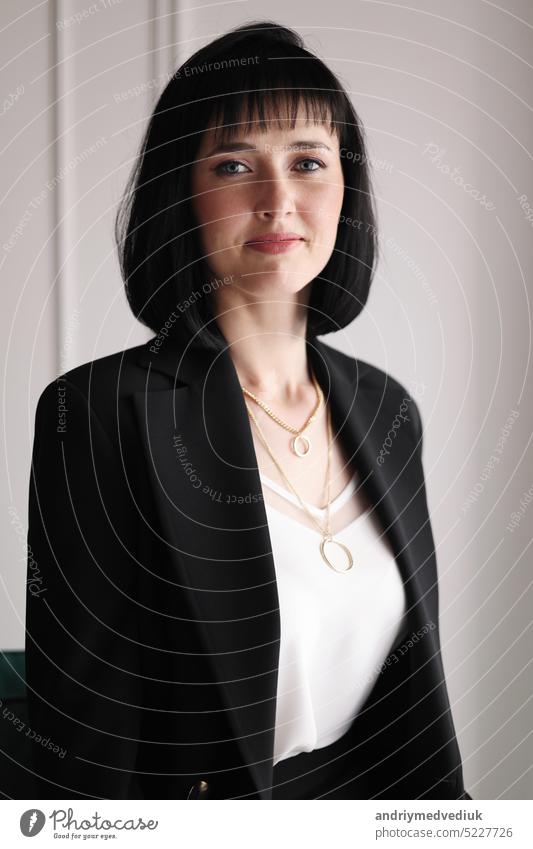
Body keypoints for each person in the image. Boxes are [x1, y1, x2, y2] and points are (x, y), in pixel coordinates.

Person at [25, 20, 471, 800]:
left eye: (308, 162)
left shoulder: (385, 408)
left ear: (345, 192)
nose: (278, 201)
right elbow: (84, 727)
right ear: (183, 192)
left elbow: (408, 704)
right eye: (234, 165)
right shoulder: (97, 411)